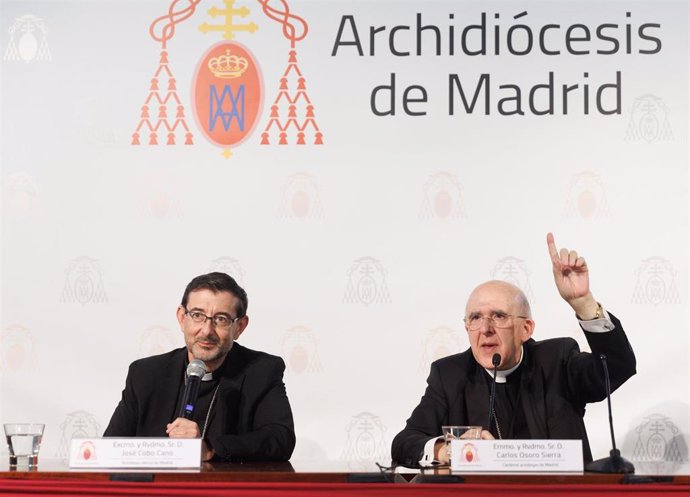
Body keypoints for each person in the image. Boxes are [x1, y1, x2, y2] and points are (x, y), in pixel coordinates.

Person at [391, 233, 636, 467]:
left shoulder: (557, 361)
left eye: (498, 316)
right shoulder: (450, 375)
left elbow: (617, 367)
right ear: (466, 327)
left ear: (526, 328)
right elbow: (404, 442)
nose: (485, 329)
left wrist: (583, 303)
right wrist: (449, 450)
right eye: (475, 318)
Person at [104, 272, 295, 462]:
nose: (206, 331)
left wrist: (209, 448)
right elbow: (109, 448)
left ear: (240, 327)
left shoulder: (262, 371)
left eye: (221, 319)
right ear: (181, 317)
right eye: (197, 315)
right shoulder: (146, 374)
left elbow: (280, 439)